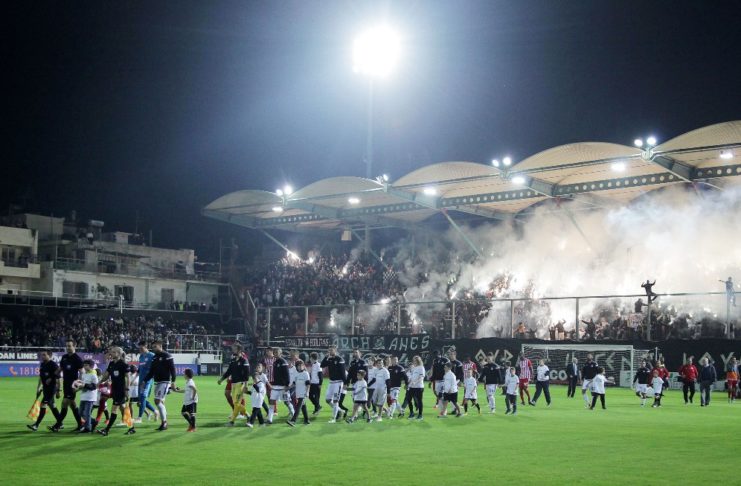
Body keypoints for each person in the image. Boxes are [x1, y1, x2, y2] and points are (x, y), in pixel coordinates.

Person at [97, 346, 135, 436]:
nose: (112, 353)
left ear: (119, 354)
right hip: (114, 389)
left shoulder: (123, 364)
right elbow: (106, 375)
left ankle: (107, 430)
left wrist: (127, 389)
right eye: (112, 352)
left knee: (114, 409)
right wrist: (100, 382)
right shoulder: (111, 363)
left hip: (121, 390)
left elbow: (128, 377)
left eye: (114, 352)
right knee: (123, 409)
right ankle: (132, 428)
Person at [143, 340, 177, 431]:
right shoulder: (154, 358)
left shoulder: (167, 356)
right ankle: (164, 422)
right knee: (160, 402)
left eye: (155, 347)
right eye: (153, 347)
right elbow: (151, 372)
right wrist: (144, 381)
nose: (153, 348)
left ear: (160, 346)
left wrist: (173, 382)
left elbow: (173, 370)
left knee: (157, 401)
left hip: (165, 381)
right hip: (157, 382)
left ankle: (164, 422)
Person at [51, 339, 83, 432]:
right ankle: (80, 425)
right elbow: (60, 369)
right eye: (67, 346)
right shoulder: (64, 357)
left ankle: (57, 425)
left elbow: (82, 372)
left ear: (74, 346)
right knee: (72, 405)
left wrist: (77, 384)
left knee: (64, 403)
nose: (68, 348)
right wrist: (52, 376)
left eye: (69, 346)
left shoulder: (77, 359)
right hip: (65, 384)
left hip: (72, 386)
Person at [27, 350, 61, 431]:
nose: (42, 356)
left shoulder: (53, 365)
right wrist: (39, 388)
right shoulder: (42, 364)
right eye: (42, 355)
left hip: (52, 388)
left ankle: (36, 425)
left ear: (50, 356)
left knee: (43, 404)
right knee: (52, 405)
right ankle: (60, 423)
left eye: (44, 355)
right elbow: (41, 377)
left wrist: (58, 390)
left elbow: (59, 378)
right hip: (45, 388)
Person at [218, 343, 251, 426]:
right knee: (236, 403)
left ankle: (232, 421)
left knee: (236, 403)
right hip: (233, 384)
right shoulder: (233, 360)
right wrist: (222, 379)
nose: (233, 350)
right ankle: (248, 416)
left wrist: (246, 385)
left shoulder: (244, 360)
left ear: (239, 350)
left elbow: (247, 374)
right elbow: (229, 371)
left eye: (234, 348)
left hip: (240, 384)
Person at [267, 346, 294, 424]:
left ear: (280, 353)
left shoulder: (283, 362)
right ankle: (270, 419)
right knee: (271, 402)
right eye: (274, 352)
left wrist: (286, 385)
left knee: (287, 402)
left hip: (283, 387)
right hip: (275, 386)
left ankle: (294, 416)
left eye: (277, 352)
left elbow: (287, 374)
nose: (275, 354)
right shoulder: (274, 362)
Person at [320, 345, 346, 423]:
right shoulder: (329, 359)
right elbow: (322, 365)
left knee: (335, 401)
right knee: (327, 400)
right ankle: (340, 410)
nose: (330, 352)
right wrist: (326, 357)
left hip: (338, 383)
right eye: (329, 350)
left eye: (331, 350)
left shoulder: (340, 359)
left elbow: (343, 372)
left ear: (335, 350)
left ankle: (333, 418)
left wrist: (345, 383)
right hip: (331, 382)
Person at [136, 341, 158, 424]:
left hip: (148, 380)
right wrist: (134, 378)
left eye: (141, 348)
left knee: (143, 397)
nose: (140, 349)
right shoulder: (141, 356)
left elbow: (155, 368)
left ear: (146, 346)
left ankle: (139, 418)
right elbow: (139, 369)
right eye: (139, 348)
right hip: (140, 380)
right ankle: (155, 411)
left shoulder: (152, 355)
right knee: (141, 399)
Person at [287, 359, 311, 427]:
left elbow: (308, 384)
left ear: (303, 366)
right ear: (296, 367)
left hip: (303, 393)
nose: (300, 367)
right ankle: (306, 420)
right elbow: (294, 383)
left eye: (301, 365)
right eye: (299, 366)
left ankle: (293, 420)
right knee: (303, 406)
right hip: (298, 393)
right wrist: (288, 388)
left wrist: (307, 392)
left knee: (298, 406)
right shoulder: (296, 373)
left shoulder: (305, 373)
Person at [78, 360, 98, 433]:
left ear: (91, 366)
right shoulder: (84, 374)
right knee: (80, 413)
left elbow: (95, 386)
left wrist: (85, 385)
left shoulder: (93, 375)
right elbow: (82, 384)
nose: (84, 366)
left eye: (86, 365)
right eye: (84, 365)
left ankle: (87, 428)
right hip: (83, 396)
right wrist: (78, 387)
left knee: (87, 413)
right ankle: (93, 422)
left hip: (90, 397)